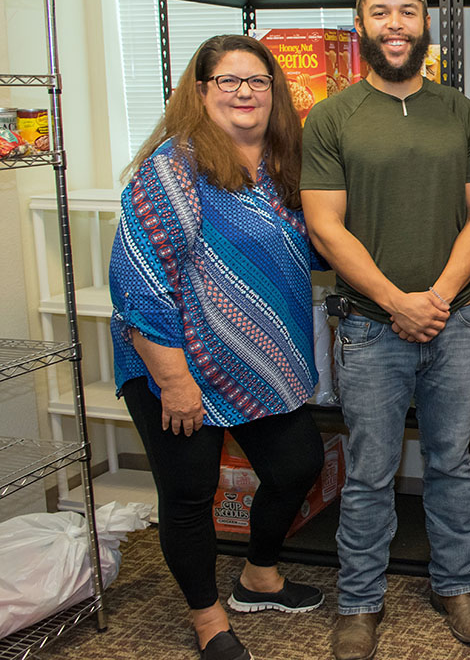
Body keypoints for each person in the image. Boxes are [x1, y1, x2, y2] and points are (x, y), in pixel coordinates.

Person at [299, 0, 470, 660]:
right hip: (366, 326)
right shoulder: (331, 117)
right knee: (371, 472)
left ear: (425, 23)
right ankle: (358, 602)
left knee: (451, 464)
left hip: (453, 320)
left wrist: (437, 299)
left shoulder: (462, 113)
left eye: (407, 11)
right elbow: (326, 227)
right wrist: (395, 303)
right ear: (362, 24)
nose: (394, 24)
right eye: (380, 12)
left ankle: (458, 585)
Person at [109, 34, 326, 660]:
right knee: (188, 494)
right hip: (173, 365)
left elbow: (314, 247)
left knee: (297, 466)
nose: (244, 92)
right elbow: (139, 280)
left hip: (259, 361)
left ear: (275, 93)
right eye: (227, 81)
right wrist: (174, 382)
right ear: (200, 92)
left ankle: (259, 576)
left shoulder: (287, 166)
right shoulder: (173, 167)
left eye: (257, 81)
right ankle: (207, 620)